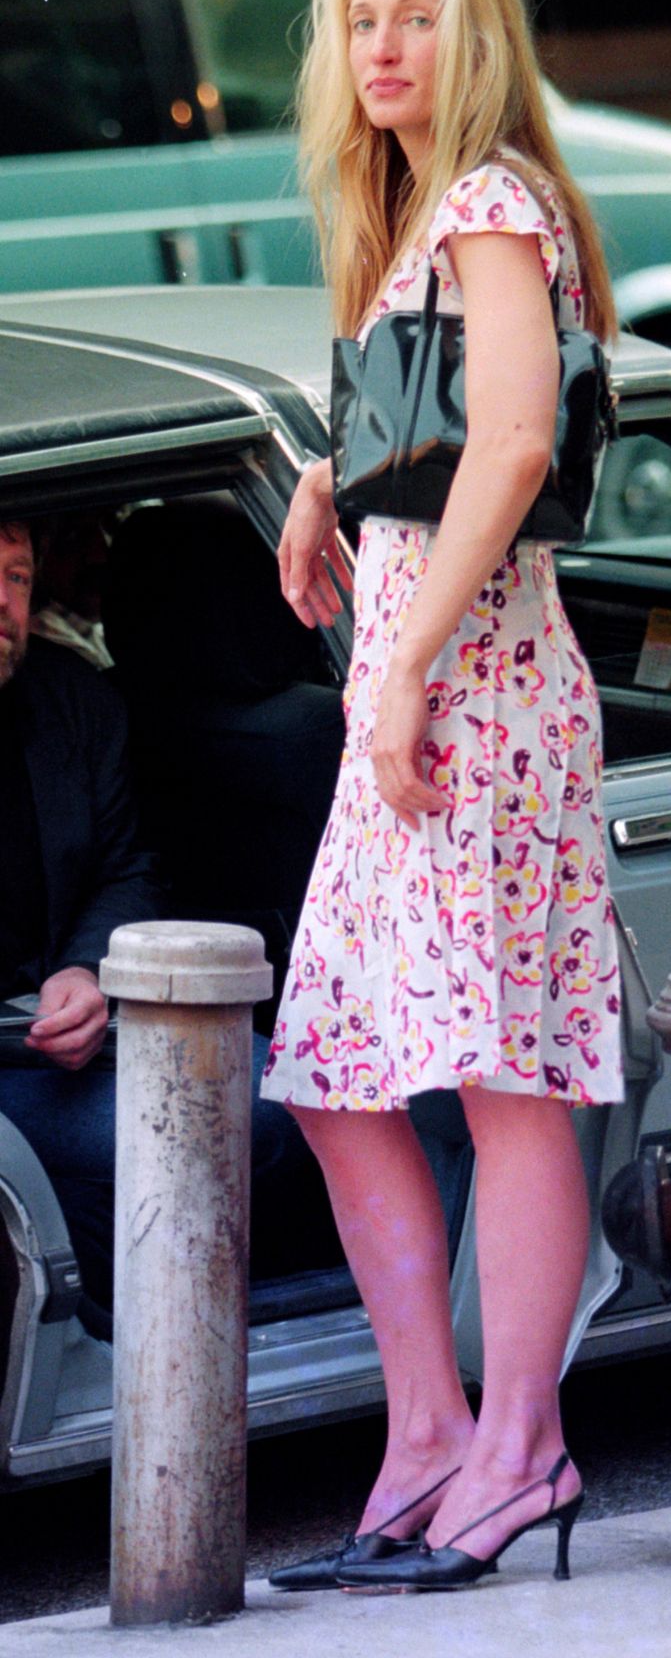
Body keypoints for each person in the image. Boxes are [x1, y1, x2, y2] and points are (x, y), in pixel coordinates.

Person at [264, 0, 623, 1594]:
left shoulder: (488, 200)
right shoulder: (412, 215)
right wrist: (331, 481)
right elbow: (443, 418)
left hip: (471, 698)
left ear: (470, 40)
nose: (386, 47)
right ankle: (428, 1435)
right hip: (408, 699)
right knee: (337, 1072)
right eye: (363, 23)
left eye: (418, 19)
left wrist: (401, 662)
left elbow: (522, 436)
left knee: (502, 1081)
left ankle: (522, 1448)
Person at [0, 515, 327, 1328]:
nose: (0, 602)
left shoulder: (75, 702)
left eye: (12, 577)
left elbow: (125, 867)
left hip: (67, 1040)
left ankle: (83, 1244)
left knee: (284, 1103)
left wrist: (85, 972)